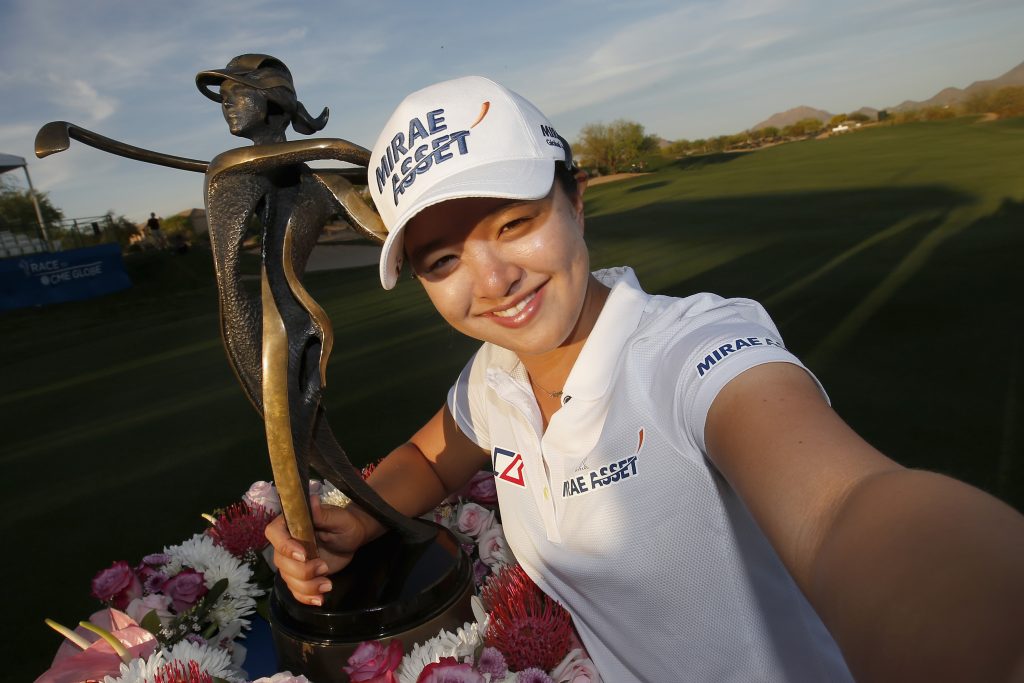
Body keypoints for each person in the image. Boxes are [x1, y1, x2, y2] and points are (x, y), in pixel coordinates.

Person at [265, 77, 1024, 681]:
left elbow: (845, 507)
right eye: (443, 261)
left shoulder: (690, 350)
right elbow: (430, 458)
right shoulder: (493, 380)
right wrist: (357, 518)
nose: (491, 279)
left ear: (577, 201)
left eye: (512, 222)